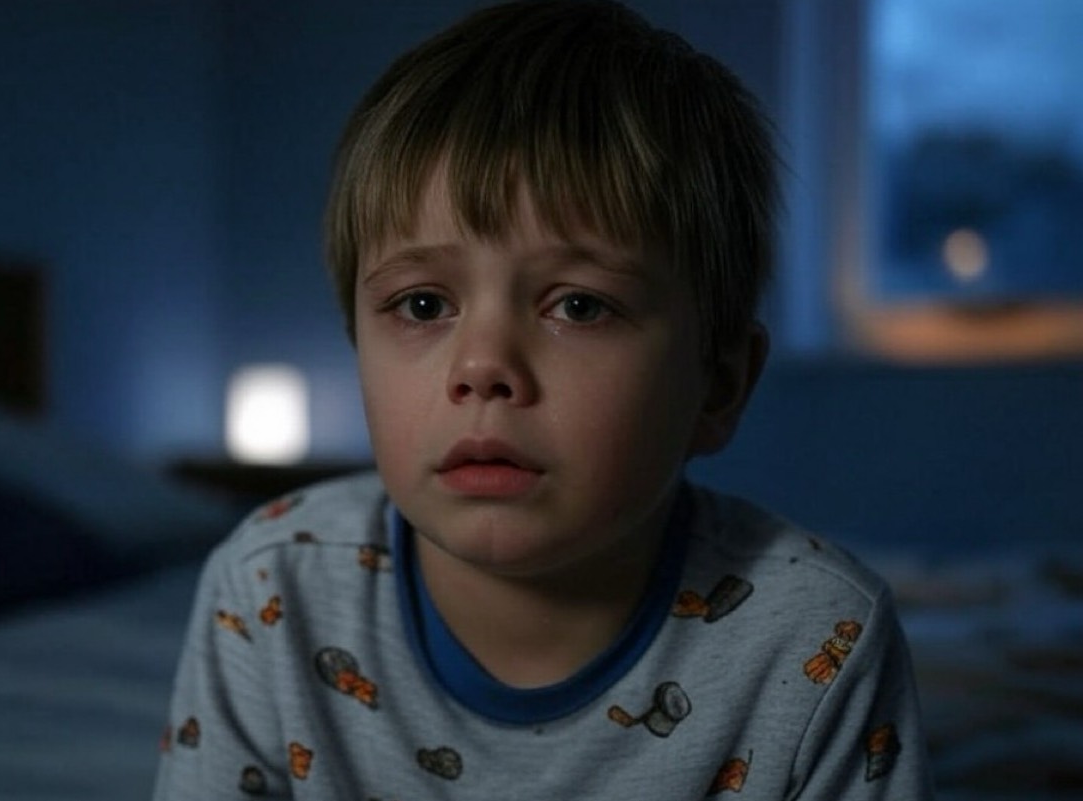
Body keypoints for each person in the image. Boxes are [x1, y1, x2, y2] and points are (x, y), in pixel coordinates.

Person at [153, 1, 935, 798]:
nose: (483, 367)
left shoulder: (817, 637)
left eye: (580, 306)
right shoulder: (269, 589)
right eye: (423, 304)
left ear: (720, 382)